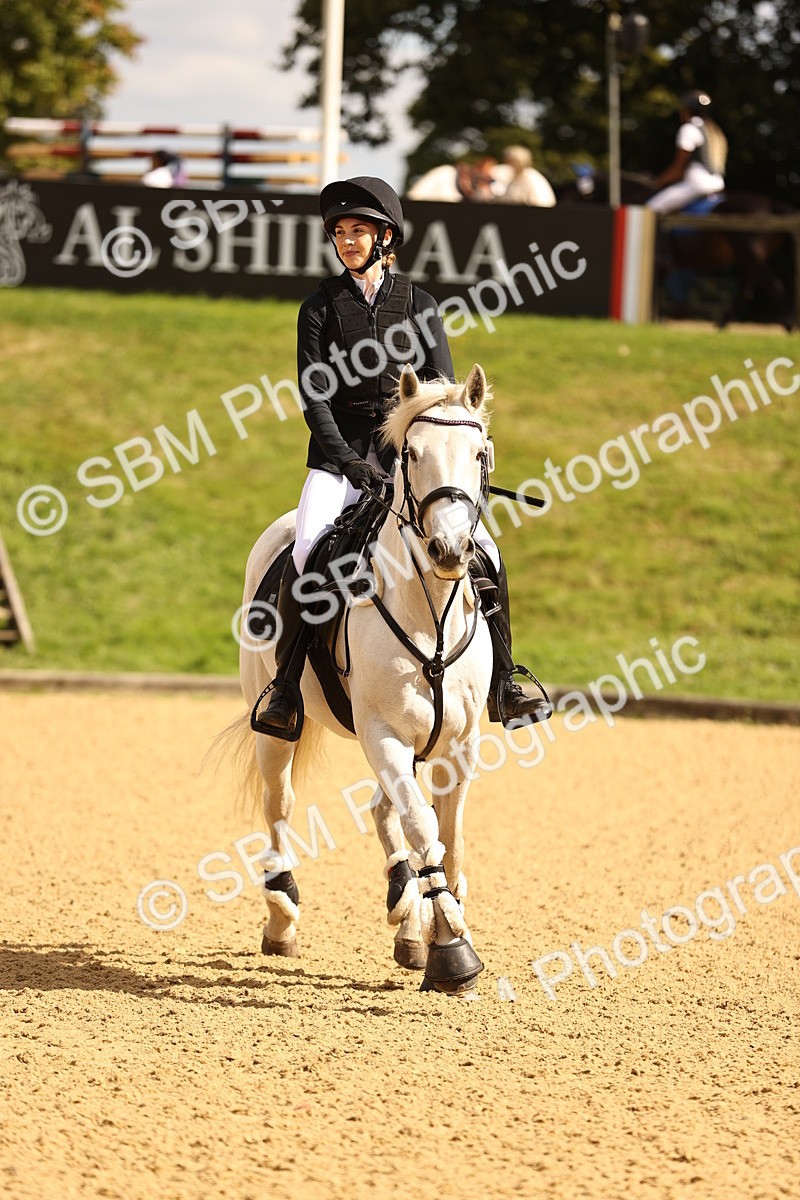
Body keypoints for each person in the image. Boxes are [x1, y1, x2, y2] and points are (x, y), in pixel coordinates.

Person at [255, 175, 551, 739]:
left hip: (409, 462)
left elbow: (439, 389)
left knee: (487, 552)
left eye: (358, 231)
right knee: (308, 554)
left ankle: (505, 681)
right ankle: (286, 688)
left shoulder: (419, 305)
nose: (347, 241)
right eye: (339, 232)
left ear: (384, 236)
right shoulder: (319, 308)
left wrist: (418, 460)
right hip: (336, 462)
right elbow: (314, 400)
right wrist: (349, 463)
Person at [646, 91, 727, 215]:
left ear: (687, 110)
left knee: (650, 210)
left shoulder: (688, 129)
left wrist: (660, 181)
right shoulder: (714, 131)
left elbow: (679, 166)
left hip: (697, 185)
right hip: (718, 184)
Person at [491, 146, 556, 208]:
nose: (506, 163)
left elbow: (540, 203)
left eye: (509, 160)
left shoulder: (530, 176)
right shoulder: (514, 178)